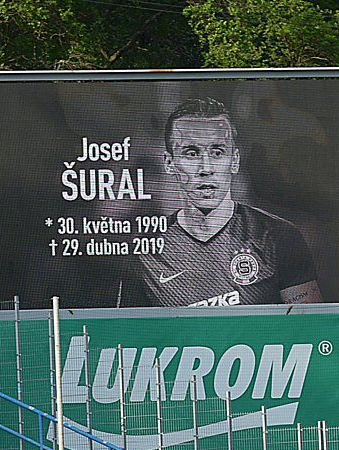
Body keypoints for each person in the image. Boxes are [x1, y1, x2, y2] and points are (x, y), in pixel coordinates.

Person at [138, 97, 323, 307]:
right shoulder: (145, 253)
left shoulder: (279, 236)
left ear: (234, 160)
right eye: (191, 153)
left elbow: (308, 321)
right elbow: (130, 325)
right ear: (169, 163)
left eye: (217, 152)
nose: (205, 168)